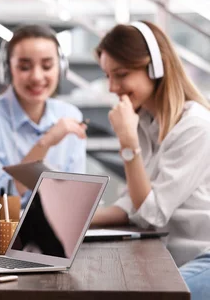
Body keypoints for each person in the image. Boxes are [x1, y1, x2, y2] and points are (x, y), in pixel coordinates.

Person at [91, 21, 210, 300]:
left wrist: (128, 144)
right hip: (168, 258)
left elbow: (150, 213)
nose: (112, 87)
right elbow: (134, 202)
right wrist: (73, 220)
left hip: (205, 256)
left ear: (157, 68)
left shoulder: (196, 127)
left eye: (120, 74)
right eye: (108, 75)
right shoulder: (144, 121)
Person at [0, 24, 87, 210]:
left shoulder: (70, 115)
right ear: (8, 69)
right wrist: (45, 143)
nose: (37, 76)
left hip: (49, 230)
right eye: (25, 67)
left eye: (47, 66)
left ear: (60, 68)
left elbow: (74, 197)